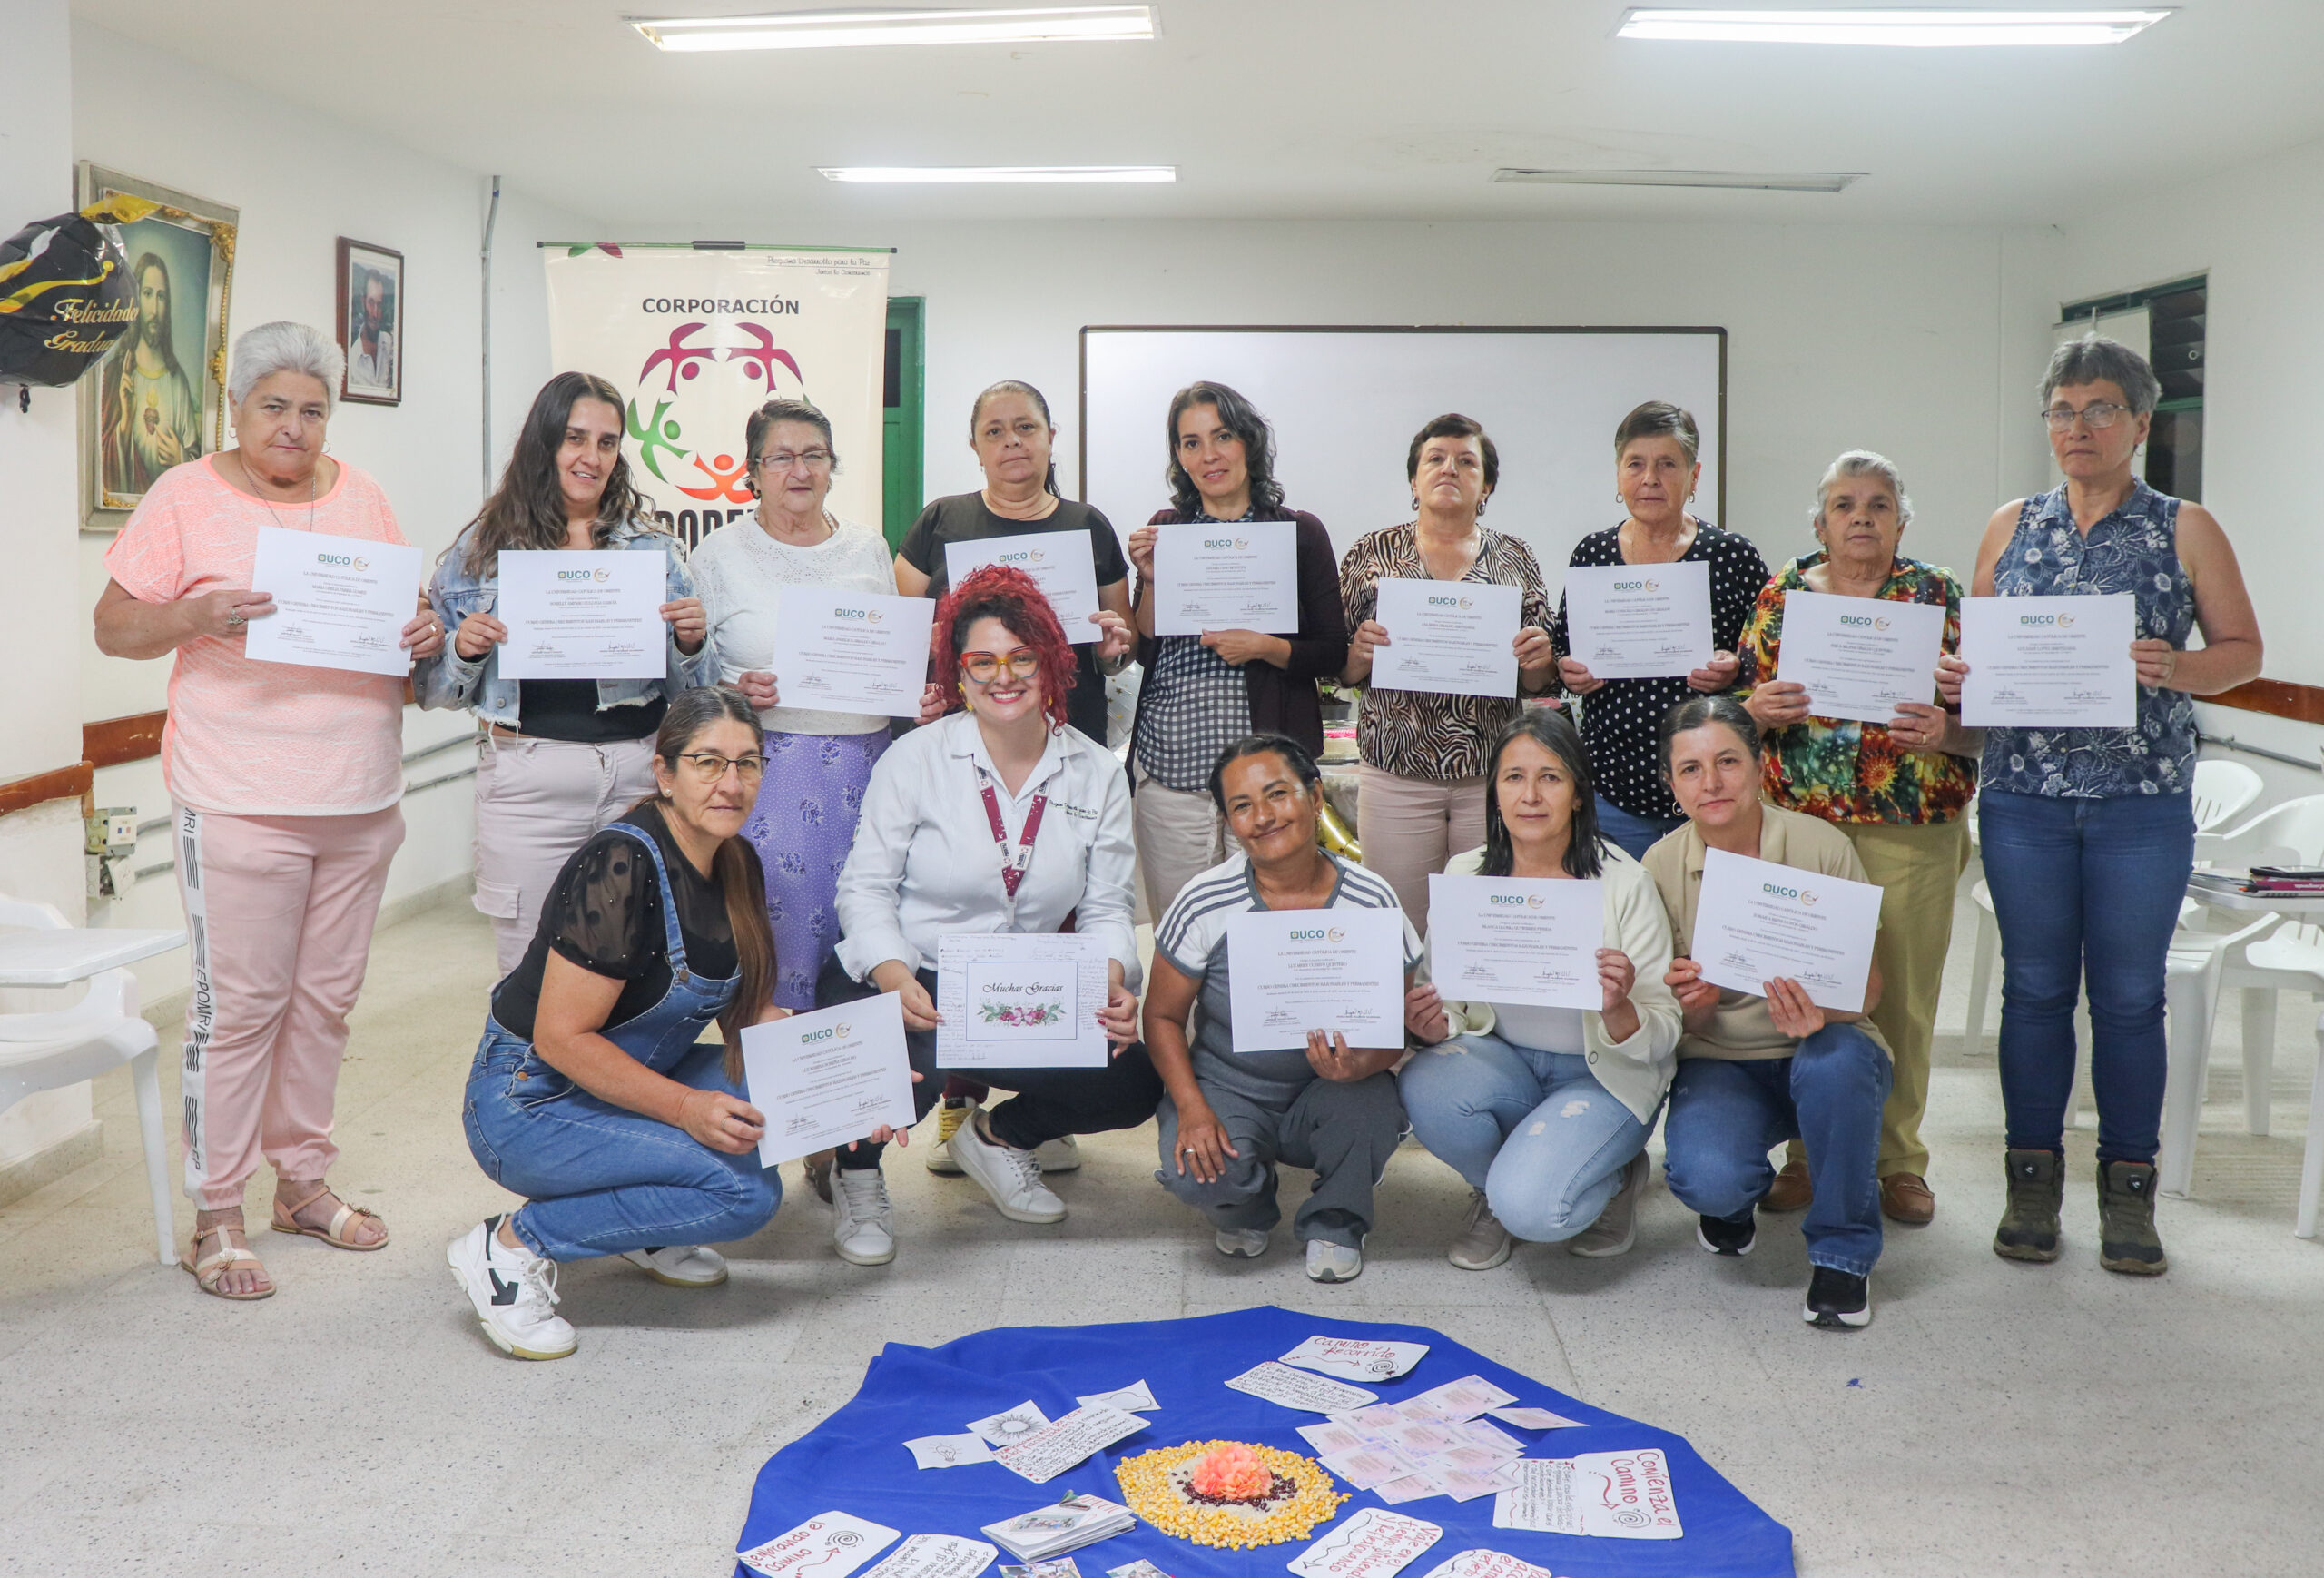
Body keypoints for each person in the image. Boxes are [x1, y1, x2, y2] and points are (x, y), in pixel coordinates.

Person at [93, 321, 446, 1300]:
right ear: (236, 406)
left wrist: (420, 631)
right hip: (239, 796)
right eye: (275, 406)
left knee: (325, 1003)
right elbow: (114, 626)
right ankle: (217, 1209)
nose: (294, 426)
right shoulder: (185, 495)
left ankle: (302, 1185)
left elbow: (397, 624)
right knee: (237, 1009)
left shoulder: (361, 494)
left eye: (313, 409)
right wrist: (190, 614)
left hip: (360, 793)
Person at [1938, 334, 2260, 1277]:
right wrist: (1958, 676)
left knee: (2127, 998)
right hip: (2023, 799)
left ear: (2140, 423)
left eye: (2099, 409)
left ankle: (2128, 1190)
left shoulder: (2184, 526)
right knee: (2035, 991)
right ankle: (2030, 1181)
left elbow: (2242, 652)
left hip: (2139, 804)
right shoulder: (2010, 524)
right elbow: (1974, 654)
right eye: (2062, 411)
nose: (2078, 427)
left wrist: (2178, 667)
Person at [447, 689, 796, 1360]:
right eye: (707, 763)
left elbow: (750, 1014)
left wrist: (847, 1088)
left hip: (627, 1080)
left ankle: (642, 1223)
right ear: (664, 772)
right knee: (742, 1194)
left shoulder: (736, 861)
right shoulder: (621, 864)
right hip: (529, 1102)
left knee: (772, 1099)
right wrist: (687, 1108)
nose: (731, 784)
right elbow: (560, 1039)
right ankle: (510, 1247)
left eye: (747, 763)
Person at [824, 567, 1159, 1263]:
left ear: (1050, 661)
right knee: (893, 1060)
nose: (1003, 677)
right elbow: (864, 889)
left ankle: (998, 1137)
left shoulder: (1096, 772)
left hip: (1026, 983)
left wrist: (1107, 977)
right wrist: (892, 974)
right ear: (959, 671)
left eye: (1021, 657)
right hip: (919, 970)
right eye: (983, 661)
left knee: (1131, 1082)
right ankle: (856, 1174)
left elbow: (1107, 906)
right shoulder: (915, 759)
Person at [1738, 451, 1977, 1226]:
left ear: (1902, 522)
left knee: (1902, 1000)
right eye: (1845, 505)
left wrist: (1950, 731)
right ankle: (1809, 1156)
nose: (1862, 517)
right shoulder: (1781, 593)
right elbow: (1739, 703)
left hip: (1912, 826)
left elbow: (1986, 712)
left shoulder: (1938, 594)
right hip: (1802, 828)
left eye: (1879, 504)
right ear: (1821, 523)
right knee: (1808, 992)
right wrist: (1756, 711)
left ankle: (1899, 1163)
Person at [418, 371, 715, 976]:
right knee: (529, 970)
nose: (591, 458)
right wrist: (463, 651)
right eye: (575, 438)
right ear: (544, 442)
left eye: (607, 443)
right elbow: (435, 692)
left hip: (637, 776)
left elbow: (695, 696)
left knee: (635, 965)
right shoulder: (481, 550)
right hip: (528, 787)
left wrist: (690, 643)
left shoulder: (653, 549)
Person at [1398, 712, 1682, 1268]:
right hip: (1506, 1064)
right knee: (1425, 1083)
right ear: (1494, 793)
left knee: (1534, 1211)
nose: (1530, 796)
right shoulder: (1466, 875)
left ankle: (1613, 1177)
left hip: (1602, 1077)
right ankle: (1496, 1192)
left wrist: (1620, 1007)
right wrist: (1432, 1025)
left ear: (1577, 793)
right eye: (1514, 778)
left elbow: (1665, 1033)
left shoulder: (1625, 883)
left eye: (1550, 777)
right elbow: (1445, 1001)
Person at [1645, 695, 1893, 1330]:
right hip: (1722, 1059)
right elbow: (1671, 1022)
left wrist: (1822, 1011)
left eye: (1728, 761)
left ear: (1760, 767)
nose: (1712, 782)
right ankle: (1732, 1201)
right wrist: (1696, 1009)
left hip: (1826, 1046)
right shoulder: (1659, 865)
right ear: (1672, 783)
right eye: (1691, 769)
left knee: (1837, 1065)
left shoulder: (1821, 845)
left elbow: (1869, 991)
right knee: (1709, 1177)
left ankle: (1842, 1257)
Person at [1146, 735, 1423, 1284]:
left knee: (1369, 1108)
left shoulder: (1370, 899)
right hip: (1230, 1086)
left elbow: (1396, 1025)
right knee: (1202, 1174)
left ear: (1315, 797)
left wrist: (1360, 1065)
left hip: (1333, 1089)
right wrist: (1193, 1109)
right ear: (1229, 823)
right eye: (1242, 806)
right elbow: (1160, 1018)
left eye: (1278, 794)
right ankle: (1249, 1205)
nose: (1264, 817)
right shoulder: (1204, 900)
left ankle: (1337, 1220)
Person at [692, 398, 940, 1011]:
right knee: (777, 934)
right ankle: (775, 1059)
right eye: (780, 458)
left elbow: (888, 652)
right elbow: (689, 676)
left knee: (867, 921)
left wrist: (915, 691)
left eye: (814, 456)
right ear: (753, 470)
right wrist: (732, 692)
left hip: (869, 767)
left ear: (832, 466)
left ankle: (867, 1063)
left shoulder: (868, 547)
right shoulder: (717, 555)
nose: (799, 471)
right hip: (765, 771)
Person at [1124, 380, 1349, 918]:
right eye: (1192, 443)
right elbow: (1145, 648)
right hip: (1172, 769)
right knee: (1182, 930)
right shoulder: (1167, 530)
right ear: (1179, 457)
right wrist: (1150, 580)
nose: (1209, 455)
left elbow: (1332, 652)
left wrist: (1267, 647)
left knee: (1269, 935)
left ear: (1248, 441)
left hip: (1266, 782)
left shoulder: (1298, 533)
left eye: (1222, 436)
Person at [1338, 413, 1556, 932]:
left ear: (1487, 486)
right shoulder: (1371, 552)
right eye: (1434, 459)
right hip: (1396, 773)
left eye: (1466, 462)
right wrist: (1359, 653)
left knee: (1480, 925)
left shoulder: (1516, 556)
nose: (1449, 469)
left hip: (1491, 773)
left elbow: (1536, 682)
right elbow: (1337, 670)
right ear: (1414, 481)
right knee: (1400, 928)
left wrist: (1537, 659)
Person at [1551, 401, 1771, 860]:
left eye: (1667, 464)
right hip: (1613, 790)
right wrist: (1569, 671)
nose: (1650, 478)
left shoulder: (1732, 556)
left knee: (1709, 906)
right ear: (1618, 475)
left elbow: (1766, 662)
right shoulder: (1592, 554)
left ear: (1694, 476)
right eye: (1635, 464)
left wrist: (1734, 666)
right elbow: (1561, 652)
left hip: (1714, 792)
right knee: (1622, 906)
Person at [893, 380, 1137, 745]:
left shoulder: (1089, 525)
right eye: (994, 432)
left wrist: (1109, 655)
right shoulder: (939, 520)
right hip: (958, 739)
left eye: (1025, 427)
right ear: (975, 447)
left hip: (1069, 734)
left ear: (1050, 437)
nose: (1012, 440)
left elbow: (1124, 647)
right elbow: (893, 640)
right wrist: (925, 644)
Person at [99, 251, 203, 498]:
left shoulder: (177, 381)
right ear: (135, 300)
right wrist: (125, 422)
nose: (155, 309)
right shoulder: (115, 376)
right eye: (147, 294)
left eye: (161, 296)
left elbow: (199, 463)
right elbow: (101, 463)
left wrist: (181, 458)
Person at [347, 270, 395, 390]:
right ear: (363, 302)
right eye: (371, 302)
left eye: (379, 305)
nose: (375, 313)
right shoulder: (352, 359)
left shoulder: (390, 345)